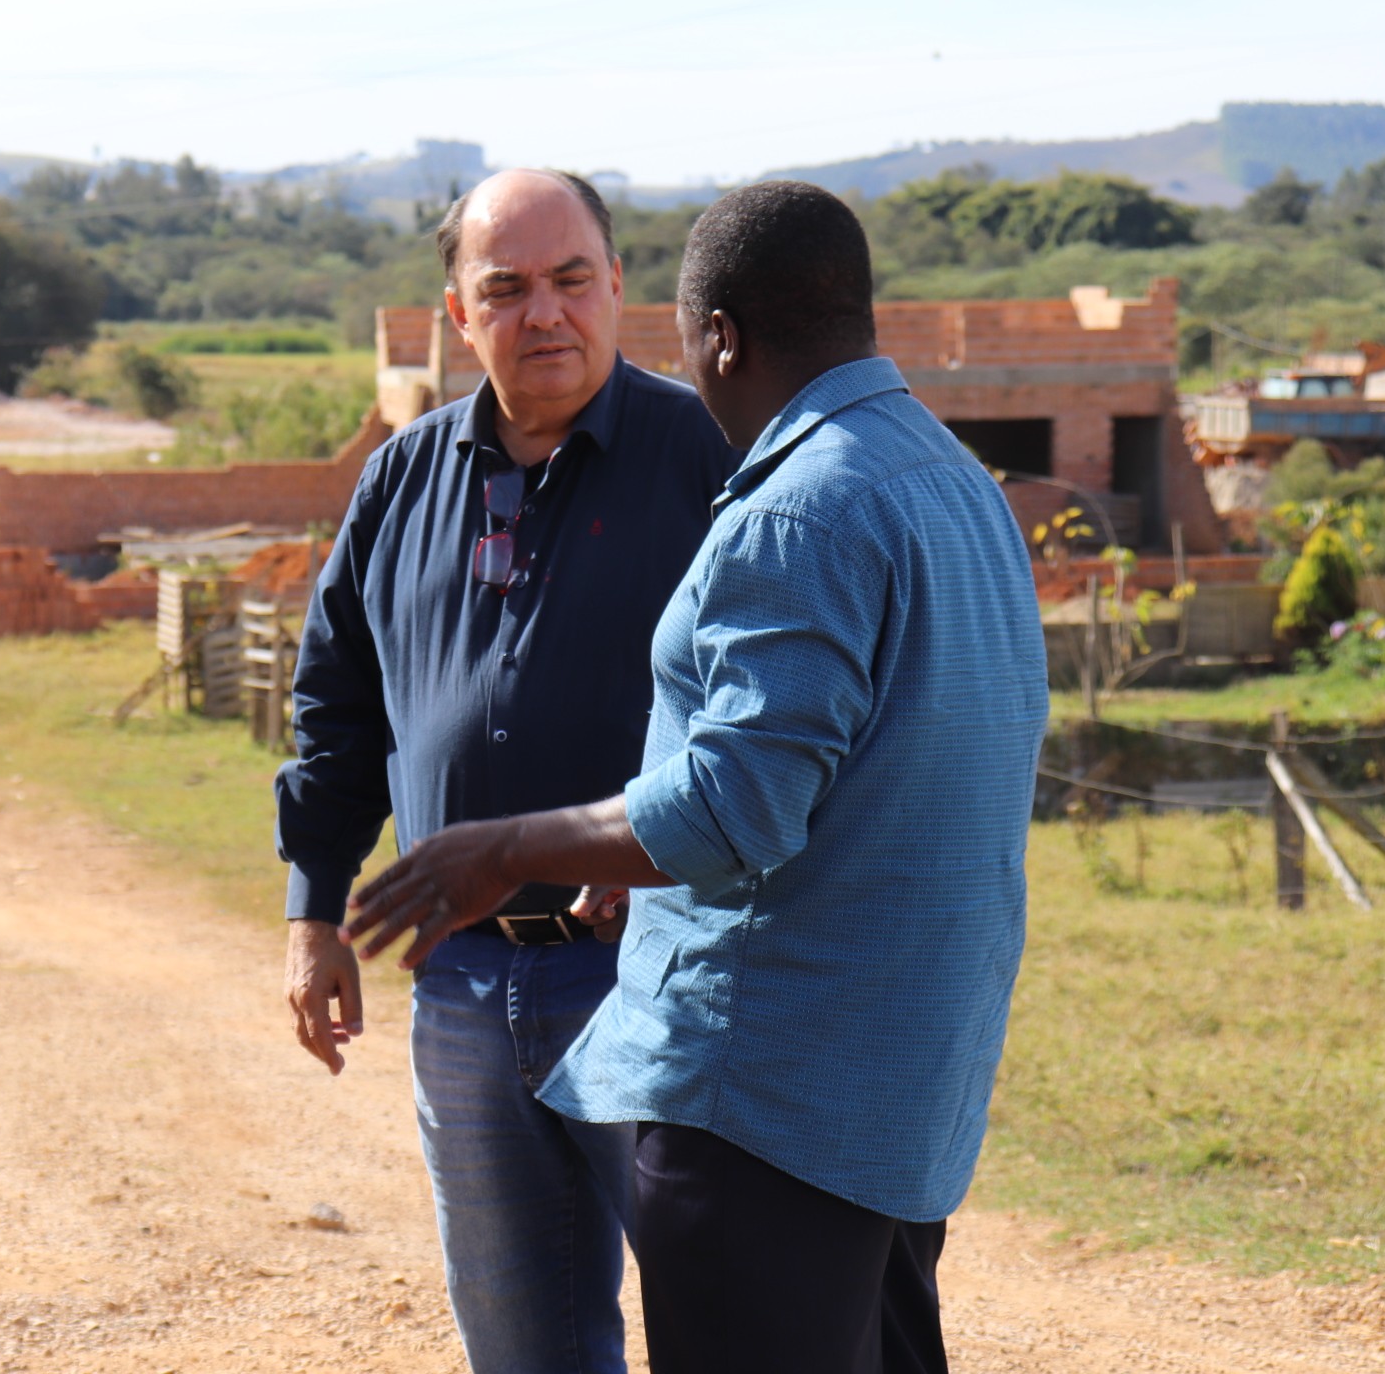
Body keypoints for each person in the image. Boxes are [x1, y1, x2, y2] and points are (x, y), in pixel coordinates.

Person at [342, 180, 1048, 1374]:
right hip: (899, 1078)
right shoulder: (953, 482)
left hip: (764, 1090)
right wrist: (648, 863)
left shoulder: (800, 506)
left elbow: (737, 804)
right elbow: (872, 768)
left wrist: (506, 847)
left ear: (718, 334)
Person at [276, 169, 738, 1373]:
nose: (546, 313)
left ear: (619, 287)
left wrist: (673, 859)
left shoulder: (709, 462)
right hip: (467, 987)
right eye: (509, 288)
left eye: (572, 280)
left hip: (663, 983)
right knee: (523, 1343)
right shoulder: (403, 478)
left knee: (720, 1318)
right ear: (457, 311)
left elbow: (768, 717)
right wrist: (313, 913)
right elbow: (338, 707)